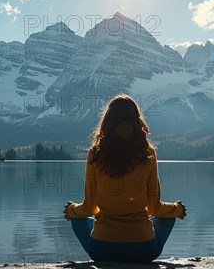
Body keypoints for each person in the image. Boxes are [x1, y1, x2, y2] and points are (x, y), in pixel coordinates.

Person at [63, 94, 186, 263]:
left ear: (107, 122)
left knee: (78, 220)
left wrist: (71, 210)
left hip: (102, 249)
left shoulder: (95, 154)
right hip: (143, 250)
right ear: (137, 121)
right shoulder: (147, 153)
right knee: (168, 216)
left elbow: (88, 208)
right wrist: (177, 209)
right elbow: (154, 209)